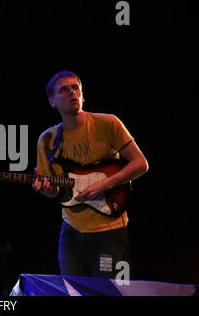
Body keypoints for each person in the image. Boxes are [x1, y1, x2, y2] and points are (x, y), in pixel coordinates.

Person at [32, 70, 148, 279]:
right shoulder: (47, 140)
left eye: (75, 88)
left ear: (83, 96)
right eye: (63, 90)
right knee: (73, 290)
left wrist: (104, 185)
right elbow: (54, 191)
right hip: (71, 231)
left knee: (110, 291)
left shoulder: (108, 123)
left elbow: (141, 163)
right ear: (52, 102)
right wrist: (45, 190)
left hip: (110, 229)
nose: (71, 93)